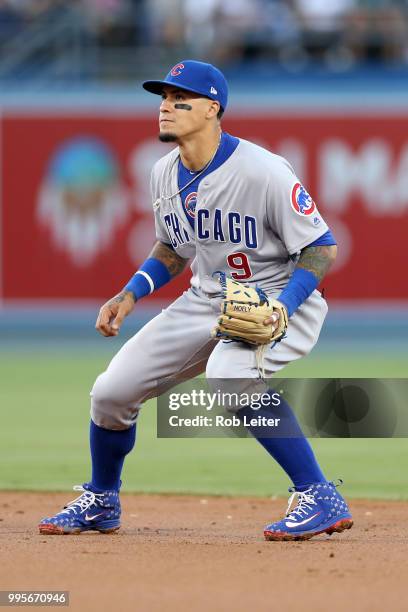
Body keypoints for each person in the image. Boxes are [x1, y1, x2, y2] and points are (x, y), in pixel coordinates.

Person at [39, 60, 353, 541]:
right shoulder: (163, 172)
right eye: (163, 99)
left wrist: (282, 307)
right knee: (110, 393)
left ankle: (318, 494)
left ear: (212, 108)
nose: (166, 108)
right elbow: (173, 247)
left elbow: (320, 246)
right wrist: (131, 292)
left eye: (179, 100)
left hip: (275, 296)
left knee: (229, 375)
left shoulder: (263, 170)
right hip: (206, 298)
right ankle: (102, 500)